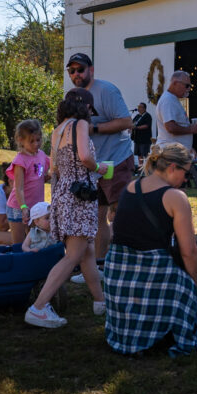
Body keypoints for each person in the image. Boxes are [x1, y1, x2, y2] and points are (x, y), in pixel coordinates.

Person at [103, 143, 197, 356]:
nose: (186, 179)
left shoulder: (130, 187)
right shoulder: (175, 197)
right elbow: (189, 251)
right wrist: (193, 284)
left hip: (117, 276)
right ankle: (166, 332)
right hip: (151, 271)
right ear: (173, 167)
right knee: (185, 286)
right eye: (186, 172)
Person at [25, 88, 110, 328]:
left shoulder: (57, 131)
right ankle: (38, 307)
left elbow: (55, 171)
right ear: (86, 107)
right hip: (79, 199)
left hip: (63, 195)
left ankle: (100, 302)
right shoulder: (80, 125)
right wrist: (98, 168)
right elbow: (84, 156)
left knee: (86, 252)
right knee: (73, 255)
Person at [66, 53, 135, 261]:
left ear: (91, 70)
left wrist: (93, 128)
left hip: (116, 160)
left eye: (81, 69)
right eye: (72, 71)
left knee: (121, 213)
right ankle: (101, 263)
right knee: (97, 217)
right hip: (93, 165)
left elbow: (126, 122)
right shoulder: (71, 96)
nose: (76, 74)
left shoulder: (107, 90)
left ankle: (129, 259)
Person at [5, 119, 50, 245]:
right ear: (21, 140)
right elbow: (18, 187)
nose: (36, 144)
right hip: (18, 208)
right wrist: (24, 208)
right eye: (31, 141)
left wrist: (51, 175)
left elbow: (39, 178)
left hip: (35, 209)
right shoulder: (20, 161)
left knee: (34, 241)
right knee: (19, 244)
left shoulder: (41, 155)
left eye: (38, 140)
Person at [155, 70, 197, 149]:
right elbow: (171, 127)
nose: (189, 89)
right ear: (175, 83)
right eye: (187, 86)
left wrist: (190, 148)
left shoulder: (172, 99)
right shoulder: (168, 100)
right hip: (171, 153)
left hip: (176, 152)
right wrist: (191, 129)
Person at [131, 102, 153, 168]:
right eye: (138, 106)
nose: (138, 108)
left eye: (140, 107)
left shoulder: (147, 116)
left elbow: (146, 126)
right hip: (137, 138)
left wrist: (136, 127)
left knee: (145, 154)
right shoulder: (137, 116)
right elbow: (133, 123)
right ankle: (141, 168)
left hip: (145, 139)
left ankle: (147, 168)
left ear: (144, 108)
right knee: (139, 154)